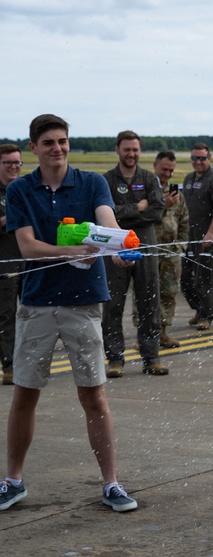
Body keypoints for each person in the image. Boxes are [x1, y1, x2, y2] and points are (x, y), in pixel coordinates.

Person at [0, 114, 138, 513]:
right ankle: (13, 481)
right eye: (48, 143)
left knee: (94, 395)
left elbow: (107, 222)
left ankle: (111, 483)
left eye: (62, 141)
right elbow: (27, 247)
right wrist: (72, 252)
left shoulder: (93, 183)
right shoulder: (21, 190)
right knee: (25, 393)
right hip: (37, 304)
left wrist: (120, 246)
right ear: (34, 148)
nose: (57, 149)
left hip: (83, 304)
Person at [103, 130, 165, 377]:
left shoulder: (149, 179)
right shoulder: (106, 180)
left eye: (135, 149)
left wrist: (122, 212)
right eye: (126, 149)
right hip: (116, 245)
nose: (131, 154)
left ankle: (151, 358)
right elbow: (105, 212)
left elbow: (157, 211)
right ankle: (115, 359)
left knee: (150, 301)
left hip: (145, 246)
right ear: (117, 150)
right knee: (113, 303)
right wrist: (136, 207)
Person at [181, 143, 213, 331]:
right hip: (190, 235)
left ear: (209, 159)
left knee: (205, 278)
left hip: (208, 235)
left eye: (202, 158)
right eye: (194, 158)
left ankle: (207, 315)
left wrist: (210, 234)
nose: (198, 162)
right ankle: (198, 309)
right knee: (185, 277)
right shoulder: (189, 179)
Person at [151, 151, 189, 349]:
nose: (167, 174)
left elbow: (184, 221)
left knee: (169, 292)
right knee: (147, 293)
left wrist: (181, 245)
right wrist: (163, 205)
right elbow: (144, 216)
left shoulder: (177, 195)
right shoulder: (147, 192)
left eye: (171, 171)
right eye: (164, 169)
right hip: (150, 250)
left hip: (170, 251)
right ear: (154, 166)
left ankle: (163, 333)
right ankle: (146, 336)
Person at [0, 144, 22, 386]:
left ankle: (27, 360)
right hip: (4, 262)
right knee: (6, 315)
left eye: (17, 162)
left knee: (31, 312)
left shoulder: (25, 189)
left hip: (28, 261)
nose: (14, 167)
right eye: (8, 162)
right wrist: (9, 218)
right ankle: (9, 365)